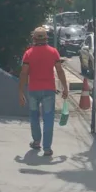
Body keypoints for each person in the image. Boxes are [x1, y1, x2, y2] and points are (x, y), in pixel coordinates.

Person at [18, 26, 69, 157]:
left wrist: (20, 91)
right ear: (46, 39)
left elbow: (24, 73)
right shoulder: (53, 52)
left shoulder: (28, 53)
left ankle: (36, 141)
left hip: (33, 90)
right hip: (49, 90)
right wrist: (65, 87)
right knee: (48, 118)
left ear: (34, 39)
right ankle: (47, 148)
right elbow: (59, 71)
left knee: (34, 116)